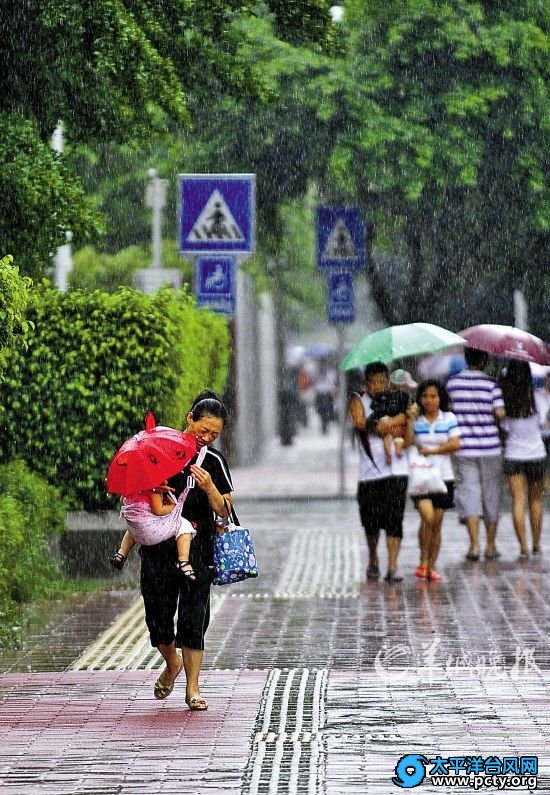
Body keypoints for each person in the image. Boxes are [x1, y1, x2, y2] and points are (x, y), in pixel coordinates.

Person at [139, 391, 233, 711]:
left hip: (199, 547)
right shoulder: (160, 453)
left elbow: (225, 510)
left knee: (194, 619)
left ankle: (193, 688)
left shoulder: (214, 462)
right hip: (159, 546)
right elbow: (142, 497)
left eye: (214, 434)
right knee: (159, 620)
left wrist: (209, 487)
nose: (206, 438)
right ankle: (172, 663)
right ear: (189, 419)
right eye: (203, 430)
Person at [348, 362, 414, 583]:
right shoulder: (359, 400)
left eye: (382, 382)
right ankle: (373, 558)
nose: (378, 386)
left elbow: (407, 423)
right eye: (373, 382)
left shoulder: (397, 399)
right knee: (371, 521)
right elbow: (360, 423)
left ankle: (393, 566)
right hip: (370, 473)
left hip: (397, 470)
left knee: (395, 519)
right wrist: (383, 425)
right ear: (366, 383)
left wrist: (393, 422)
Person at [447, 347, 505, 561]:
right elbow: (499, 412)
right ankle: (490, 546)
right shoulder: (492, 384)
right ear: (484, 359)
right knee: (491, 494)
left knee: (469, 493)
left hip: (464, 448)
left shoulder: (452, 384)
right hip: (490, 447)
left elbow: (449, 411)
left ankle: (474, 545)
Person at [411, 379, 461, 582]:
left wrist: (432, 450)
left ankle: (431, 565)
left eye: (433, 396)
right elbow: (407, 441)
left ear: (440, 398)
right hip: (421, 478)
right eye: (425, 396)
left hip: (444, 477)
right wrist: (409, 418)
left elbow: (455, 443)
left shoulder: (449, 418)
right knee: (428, 517)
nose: (429, 400)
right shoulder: (416, 421)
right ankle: (423, 560)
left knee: (437, 524)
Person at [109, 477, 199, 580]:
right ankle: (183, 561)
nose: (165, 481)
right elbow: (159, 510)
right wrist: (174, 506)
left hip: (136, 529)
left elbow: (123, 500)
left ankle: (121, 553)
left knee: (132, 531)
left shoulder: (131, 487)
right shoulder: (152, 488)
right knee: (184, 525)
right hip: (151, 532)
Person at [500, 361, 546, 557]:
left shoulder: (504, 402)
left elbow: (504, 428)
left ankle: (523, 547)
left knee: (518, 501)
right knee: (535, 501)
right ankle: (536, 544)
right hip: (536, 454)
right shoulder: (539, 399)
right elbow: (542, 423)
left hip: (513, 455)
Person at [313, 357, 337, 434]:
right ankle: (324, 424)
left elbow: (332, 382)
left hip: (325, 393)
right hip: (321, 393)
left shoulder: (329, 372)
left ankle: (324, 425)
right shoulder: (317, 372)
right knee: (322, 410)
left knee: (325, 411)